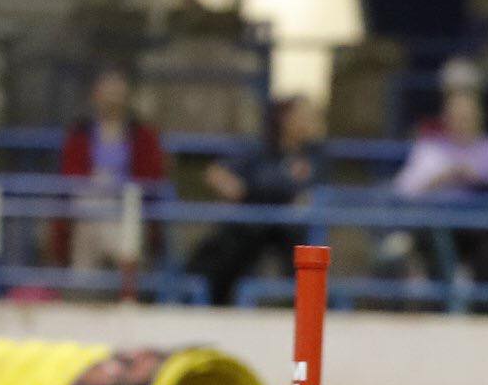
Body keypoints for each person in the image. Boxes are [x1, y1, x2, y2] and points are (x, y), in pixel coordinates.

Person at [183, 96, 324, 306]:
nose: (311, 120)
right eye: (304, 115)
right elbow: (216, 174)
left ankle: (304, 306)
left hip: (287, 232)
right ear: (285, 119)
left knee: (301, 252)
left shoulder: (314, 156)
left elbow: (306, 196)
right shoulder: (261, 151)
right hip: (249, 228)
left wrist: (262, 189)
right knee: (218, 254)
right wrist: (240, 188)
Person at [385, 88, 488, 287]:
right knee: (430, 243)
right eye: (456, 117)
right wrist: (439, 179)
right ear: (445, 118)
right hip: (437, 224)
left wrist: (480, 177)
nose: (462, 123)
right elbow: (403, 190)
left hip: (482, 228)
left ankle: (484, 308)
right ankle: (438, 305)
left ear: (480, 118)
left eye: (467, 117)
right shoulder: (430, 148)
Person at [50, 68, 168, 268]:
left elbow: (152, 178)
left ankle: (129, 293)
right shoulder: (80, 134)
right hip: (88, 210)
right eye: (107, 90)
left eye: (117, 91)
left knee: (127, 234)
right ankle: (83, 290)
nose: (112, 98)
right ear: (96, 95)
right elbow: (70, 179)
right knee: (86, 226)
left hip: (127, 207)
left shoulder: (143, 135)